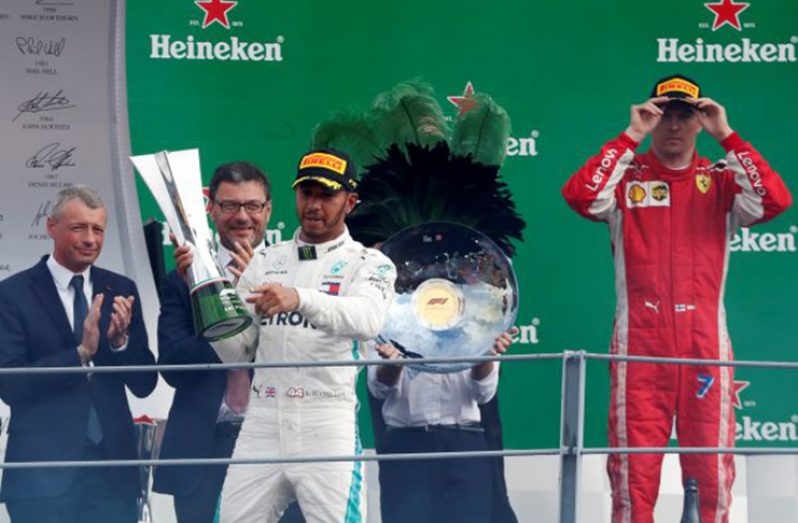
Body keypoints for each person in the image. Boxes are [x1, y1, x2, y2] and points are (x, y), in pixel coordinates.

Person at [562, 74, 792, 523]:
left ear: (700, 121)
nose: (673, 125)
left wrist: (727, 135)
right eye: (663, 114)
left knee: (711, 473)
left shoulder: (722, 182)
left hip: (704, 349)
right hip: (639, 350)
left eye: (685, 115)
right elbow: (581, 195)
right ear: (650, 116)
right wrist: (631, 135)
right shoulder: (627, 181)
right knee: (633, 477)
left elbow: (775, 201)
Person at [208, 149, 397, 522]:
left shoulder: (370, 263)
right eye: (306, 193)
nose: (313, 204)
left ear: (350, 201)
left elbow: (367, 319)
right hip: (263, 419)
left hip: (325, 418)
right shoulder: (266, 261)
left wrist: (299, 298)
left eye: (326, 195)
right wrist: (212, 304)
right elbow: (236, 354)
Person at [153, 161, 301, 522]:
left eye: (252, 206)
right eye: (230, 205)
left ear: (268, 210)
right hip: (205, 447)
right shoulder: (182, 280)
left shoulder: (294, 275)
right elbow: (172, 365)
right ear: (210, 209)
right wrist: (216, 302)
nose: (242, 217)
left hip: (278, 441)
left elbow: (297, 354)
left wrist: (252, 289)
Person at [0, 185, 157, 523]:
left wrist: (119, 345)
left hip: (113, 472)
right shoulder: (11, 295)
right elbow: (9, 384)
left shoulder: (121, 290)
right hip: (41, 476)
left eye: (98, 229)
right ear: (51, 227)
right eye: (78, 228)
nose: (90, 239)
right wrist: (81, 353)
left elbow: (145, 384)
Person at [367, 329, 514, 523]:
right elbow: (378, 388)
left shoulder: (477, 317)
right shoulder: (390, 318)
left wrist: (485, 356)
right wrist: (394, 364)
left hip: (464, 445)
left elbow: (484, 392)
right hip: (407, 447)